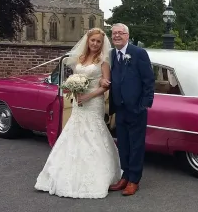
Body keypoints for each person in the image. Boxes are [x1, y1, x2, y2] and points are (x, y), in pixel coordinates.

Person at [34, 28, 122, 199]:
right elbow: (76, 79)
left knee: (93, 133)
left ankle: (99, 174)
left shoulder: (103, 61)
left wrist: (88, 96)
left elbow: (105, 85)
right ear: (87, 41)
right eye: (93, 40)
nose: (95, 44)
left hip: (93, 101)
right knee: (73, 133)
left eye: (98, 42)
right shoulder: (80, 59)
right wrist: (74, 91)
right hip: (78, 102)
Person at [100, 23, 155, 196]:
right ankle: (125, 175)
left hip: (136, 108)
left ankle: (134, 180)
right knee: (123, 144)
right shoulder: (112, 54)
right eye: (114, 33)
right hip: (120, 108)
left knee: (136, 145)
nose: (116, 36)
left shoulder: (139, 53)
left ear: (127, 35)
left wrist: (144, 104)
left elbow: (149, 81)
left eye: (120, 33)